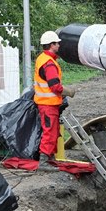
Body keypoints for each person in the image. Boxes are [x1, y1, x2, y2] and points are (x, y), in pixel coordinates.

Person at [33, 31, 74, 172]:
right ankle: (44, 161)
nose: (59, 45)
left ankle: (49, 157)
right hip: (48, 103)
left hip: (46, 102)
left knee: (53, 130)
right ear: (51, 45)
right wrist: (68, 91)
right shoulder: (49, 63)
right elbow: (55, 86)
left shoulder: (42, 58)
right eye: (57, 43)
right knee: (50, 131)